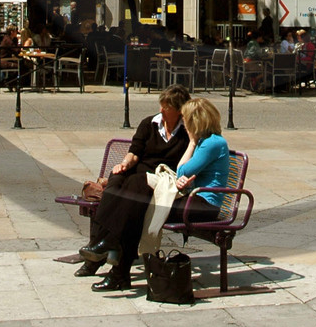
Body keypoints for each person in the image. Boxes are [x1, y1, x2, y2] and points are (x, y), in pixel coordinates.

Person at [85, 96, 230, 292]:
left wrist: (192, 143)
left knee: (137, 208)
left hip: (203, 206)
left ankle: (116, 263)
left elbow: (183, 170)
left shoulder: (211, 143)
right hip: (193, 198)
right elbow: (186, 172)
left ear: (196, 120)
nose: (184, 122)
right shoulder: (206, 141)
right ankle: (117, 267)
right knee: (136, 196)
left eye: (186, 118)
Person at [74, 85, 192, 278]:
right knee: (117, 177)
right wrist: (124, 164)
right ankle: (104, 251)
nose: (161, 110)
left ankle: (97, 255)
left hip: (158, 179)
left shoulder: (187, 132)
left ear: (179, 111)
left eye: (166, 107)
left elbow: (184, 165)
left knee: (131, 200)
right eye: (161, 105)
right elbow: (135, 151)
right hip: (138, 173)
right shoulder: (149, 124)